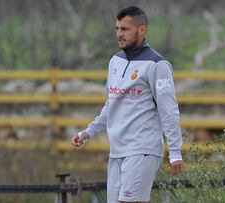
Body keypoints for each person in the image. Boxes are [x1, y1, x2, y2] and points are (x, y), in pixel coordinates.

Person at [72, 6, 183, 203]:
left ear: (142, 30)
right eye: (117, 29)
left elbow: (169, 111)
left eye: (125, 29)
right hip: (117, 151)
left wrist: (175, 151)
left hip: (143, 149)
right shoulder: (115, 61)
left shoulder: (157, 65)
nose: (119, 34)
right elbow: (111, 104)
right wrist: (89, 132)